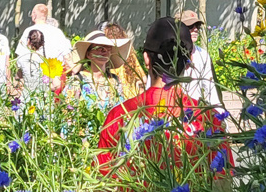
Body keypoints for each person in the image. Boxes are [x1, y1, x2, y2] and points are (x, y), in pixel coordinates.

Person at [94, 16, 228, 177]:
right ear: (188, 62)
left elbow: (102, 190)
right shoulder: (209, 119)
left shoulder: (119, 116)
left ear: (146, 59)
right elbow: (223, 185)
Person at [69, 29, 143, 109]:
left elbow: (119, 111)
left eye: (108, 48)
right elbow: (68, 112)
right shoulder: (77, 81)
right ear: (88, 54)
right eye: (99, 49)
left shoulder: (114, 80)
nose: (105, 52)